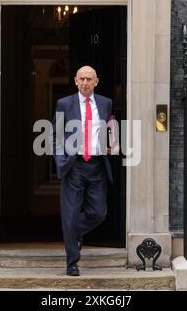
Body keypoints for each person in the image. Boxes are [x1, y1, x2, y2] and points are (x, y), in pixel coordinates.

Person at [52, 66, 113, 276]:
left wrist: (110, 144)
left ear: (96, 81)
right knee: (69, 214)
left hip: (97, 165)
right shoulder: (64, 104)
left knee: (98, 212)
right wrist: (62, 160)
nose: (86, 82)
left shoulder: (106, 103)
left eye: (90, 79)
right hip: (74, 165)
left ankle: (74, 232)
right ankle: (72, 263)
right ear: (76, 81)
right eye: (82, 79)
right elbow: (57, 136)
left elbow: (108, 128)